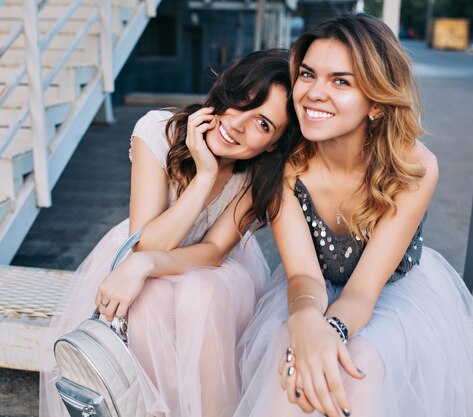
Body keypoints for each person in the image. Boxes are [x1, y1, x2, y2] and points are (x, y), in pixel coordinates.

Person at [234, 14, 473, 417]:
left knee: (361, 362)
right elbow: (302, 276)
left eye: (341, 81)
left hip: (390, 291)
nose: (314, 93)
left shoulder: (413, 167)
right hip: (310, 285)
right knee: (290, 344)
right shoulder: (284, 166)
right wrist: (304, 322)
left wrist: (330, 332)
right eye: (307, 74)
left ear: (375, 102)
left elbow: (362, 292)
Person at [40, 48, 297, 417]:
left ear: (273, 144)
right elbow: (147, 241)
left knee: (204, 293)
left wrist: (144, 264)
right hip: (145, 243)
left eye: (263, 124)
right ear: (227, 90)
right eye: (242, 102)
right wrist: (205, 175)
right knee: (149, 302)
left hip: (208, 266)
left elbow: (212, 251)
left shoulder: (258, 173)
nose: (239, 124)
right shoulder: (158, 130)